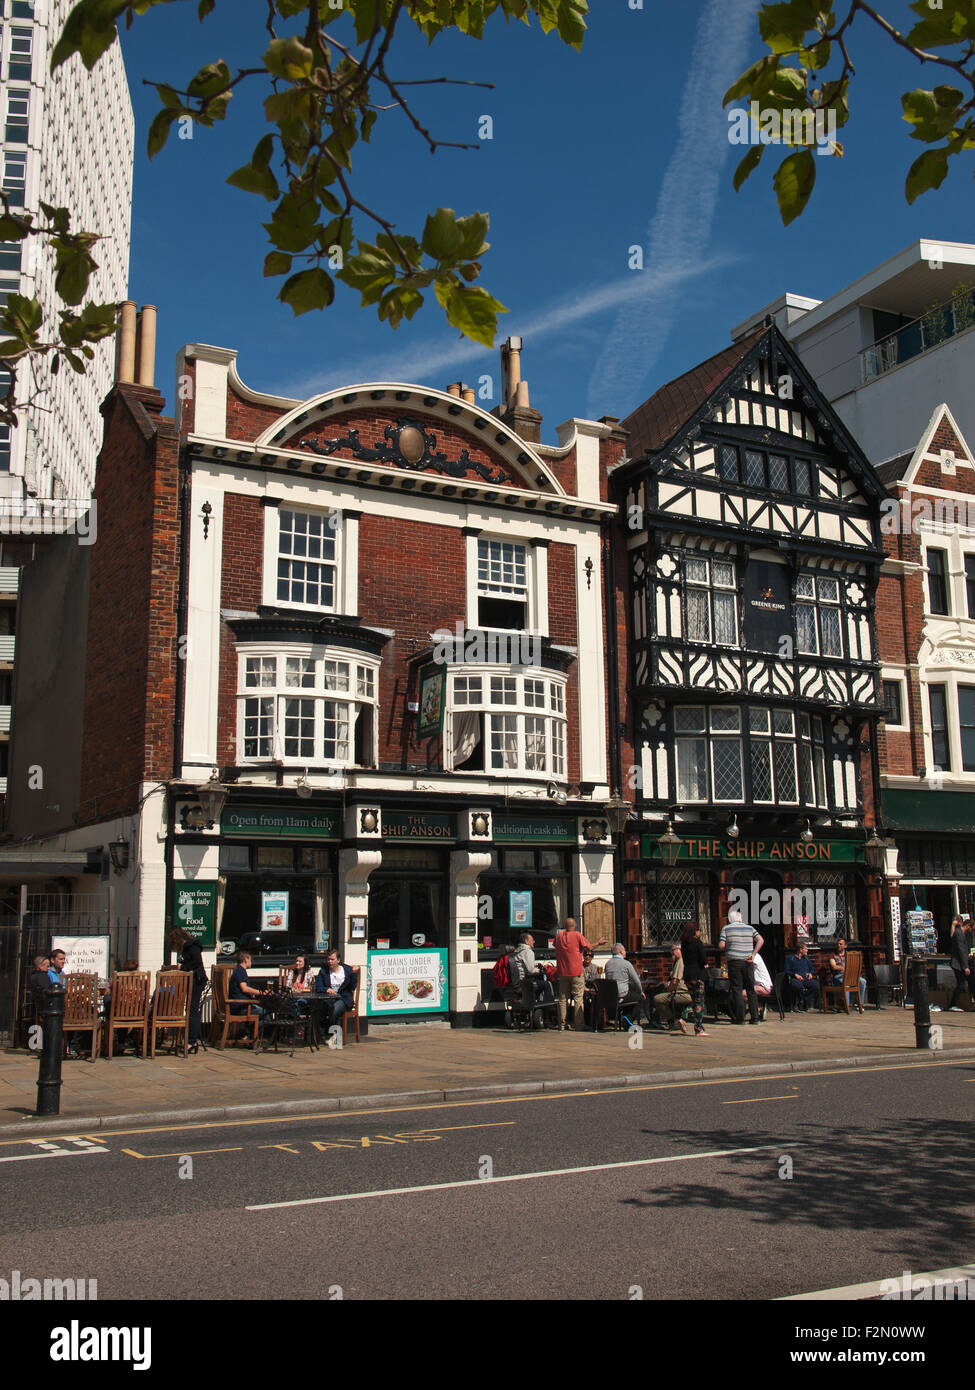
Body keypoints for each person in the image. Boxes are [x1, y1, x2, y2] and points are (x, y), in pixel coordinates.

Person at [554, 917, 605, 1032]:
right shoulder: (577, 935)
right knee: (578, 998)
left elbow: (555, 946)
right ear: (574, 926)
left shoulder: (558, 936)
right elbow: (589, 947)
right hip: (576, 971)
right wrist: (599, 943)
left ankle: (562, 1024)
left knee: (562, 999)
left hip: (562, 972)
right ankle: (579, 1025)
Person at [719, 909, 763, 1024]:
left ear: (730, 919)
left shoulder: (726, 928)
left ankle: (740, 1017)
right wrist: (753, 954)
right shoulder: (749, 928)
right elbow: (760, 940)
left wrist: (727, 944)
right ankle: (755, 1017)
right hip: (748, 961)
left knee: (737, 989)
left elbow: (722, 945)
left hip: (734, 962)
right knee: (750, 989)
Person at [169, 926, 207, 1053]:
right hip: (190, 980)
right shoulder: (185, 948)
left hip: (197, 980)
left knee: (192, 1009)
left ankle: (192, 1041)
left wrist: (183, 967)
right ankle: (189, 1040)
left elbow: (197, 963)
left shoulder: (192, 946)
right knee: (190, 1009)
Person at [313, 948, 358, 1034]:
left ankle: (331, 1033)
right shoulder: (324, 971)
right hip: (329, 999)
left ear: (338, 960)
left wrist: (353, 974)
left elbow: (352, 987)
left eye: (332, 959)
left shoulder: (347, 971)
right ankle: (321, 1032)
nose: (330, 962)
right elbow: (318, 987)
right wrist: (326, 989)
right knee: (318, 1008)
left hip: (344, 998)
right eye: (328, 959)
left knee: (335, 1009)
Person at [651, 943, 692, 1030]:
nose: (671, 953)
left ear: (679, 950)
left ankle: (673, 1021)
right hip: (683, 991)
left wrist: (668, 989)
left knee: (658, 999)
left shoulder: (680, 961)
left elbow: (675, 981)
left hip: (682, 993)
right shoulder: (682, 961)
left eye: (673, 950)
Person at [603, 943, 645, 1026]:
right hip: (622, 994)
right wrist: (641, 992)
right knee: (639, 998)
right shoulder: (626, 964)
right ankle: (628, 1020)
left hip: (611, 995)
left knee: (630, 996)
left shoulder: (608, 964)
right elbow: (636, 980)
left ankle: (626, 1019)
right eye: (625, 950)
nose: (625, 952)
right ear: (621, 952)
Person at [680, 926, 709, 1036]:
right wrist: (705, 964)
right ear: (694, 931)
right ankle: (698, 1028)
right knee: (699, 1002)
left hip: (688, 974)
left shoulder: (684, 943)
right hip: (698, 975)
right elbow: (704, 960)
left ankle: (684, 1018)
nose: (700, 932)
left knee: (693, 999)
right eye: (699, 929)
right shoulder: (698, 943)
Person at [229, 951, 271, 1020]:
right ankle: (259, 1030)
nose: (251, 962)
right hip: (241, 1008)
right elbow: (244, 988)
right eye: (250, 960)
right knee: (266, 1014)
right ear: (246, 959)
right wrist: (261, 993)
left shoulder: (239, 970)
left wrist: (251, 994)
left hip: (241, 1005)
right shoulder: (240, 971)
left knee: (263, 1011)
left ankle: (252, 1030)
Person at [827, 937, 866, 1007]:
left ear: (845, 946)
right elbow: (834, 966)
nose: (839, 945)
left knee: (863, 981)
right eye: (838, 944)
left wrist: (849, 969)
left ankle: (860, 1003)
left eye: (841, 944)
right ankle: (846, 1005)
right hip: (839, 976)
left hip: (850, 975)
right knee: (846, 984)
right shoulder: (832, 955)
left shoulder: (849, 955)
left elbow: (854, 966)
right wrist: (843, 968)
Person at [785, 943, 821, 1012]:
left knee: (815, 985)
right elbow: (787, 970)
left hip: (806, 979)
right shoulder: (791, 958)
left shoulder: (806, 959)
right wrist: (795, 975)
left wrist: (810, 973)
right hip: (796, 979)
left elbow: (812, 969)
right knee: (798, 986)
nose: (807, 951)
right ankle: (800, 1002)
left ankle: (805, 1000)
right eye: (806, 949)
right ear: (801, 950)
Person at [949, 916, 971, 1011]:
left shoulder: (961, 933)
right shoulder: (958, 933)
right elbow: (961, 950)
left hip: (959, 962)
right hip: (957, 963)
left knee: (964, 984)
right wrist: (965, 967)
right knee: (961, 985)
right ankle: (952, 1004)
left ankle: (954, 1004)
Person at [753, 950, 773, 1021]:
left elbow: (748, 966)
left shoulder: (755, 956)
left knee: (742, 993)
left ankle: (759, 1008)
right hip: (760, 985)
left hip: (764, 986)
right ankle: (758, 1007)